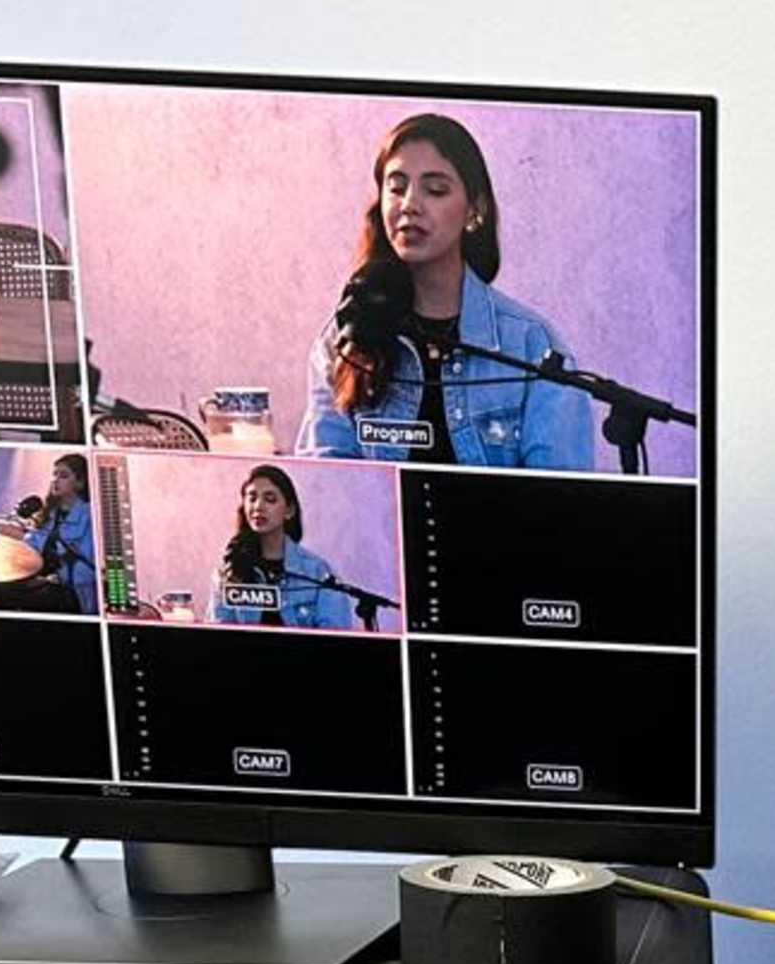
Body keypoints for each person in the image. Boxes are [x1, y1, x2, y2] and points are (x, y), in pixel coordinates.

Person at [299, 114, 597, 469]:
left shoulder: (533, 345)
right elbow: (328, 485)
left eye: (435, 190)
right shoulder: (343, 341)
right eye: (396, 188)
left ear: (475, 210)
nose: (409, 204)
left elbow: (559, 493)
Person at [205, 464, 366, 628]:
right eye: (252, 498)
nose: (258, 506)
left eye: (270, 499)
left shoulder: (318, 572)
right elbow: (218, 632)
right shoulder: (228, 572)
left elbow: (335, 633)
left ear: (289, 510)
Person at [10, 451, 98, 609]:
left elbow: (87, 568)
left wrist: (54, 579)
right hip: (43, 580)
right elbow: (34, 542)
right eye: (55, 475)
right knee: (0, 591)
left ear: (80, 483)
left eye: (63, 476)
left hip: (70, 592)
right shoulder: (51, 513)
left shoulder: (90, 516)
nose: (55, 480)